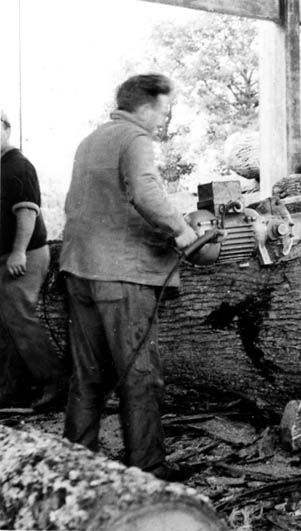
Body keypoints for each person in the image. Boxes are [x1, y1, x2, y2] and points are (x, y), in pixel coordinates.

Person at [60, 74, 198, 480]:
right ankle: (147, 471)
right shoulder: (135, 138)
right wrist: (182, 230)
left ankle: (75, 466)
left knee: (88, 375)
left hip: (79, 268)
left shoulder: (92, 140)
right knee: (140, 376)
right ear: (146, 106)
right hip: (120, 276)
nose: (165, 118)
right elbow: (144, 191)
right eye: (164, 109)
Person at [0, 108, 68, 410]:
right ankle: (13, 390)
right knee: (7, 323)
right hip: (9, 254)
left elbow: (27, 213)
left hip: (24, 253)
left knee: (20, 317)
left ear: (5, 129)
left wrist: (17, 252)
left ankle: (57, 383)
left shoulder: (18, 166)